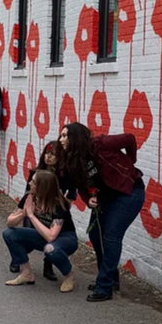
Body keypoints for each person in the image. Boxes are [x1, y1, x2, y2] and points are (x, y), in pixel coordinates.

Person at [58, 122, 145, 303]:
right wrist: (88, 200)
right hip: (106, 197)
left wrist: (130, 163)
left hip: (128, 192)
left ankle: (104, 286)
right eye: (61, 136)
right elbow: (81, 185)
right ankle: (110, 278)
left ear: (76, 137)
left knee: (111, 236)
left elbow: (130, 138)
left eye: (65, 136)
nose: (61, 140)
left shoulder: (100, 145)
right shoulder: (72, 160)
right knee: (96, 234)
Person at [2, 170, 79, 293]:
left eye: (33, 182)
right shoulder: (29, 197)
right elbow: (9, 222)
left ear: (42, 187)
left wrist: (31, 216)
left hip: (65, 238)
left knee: (50, 249)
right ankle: (26, 273)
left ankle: (69, 275)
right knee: (9, 234)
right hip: (43, 234)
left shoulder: (58, 204)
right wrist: (23, 214)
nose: (30, 184)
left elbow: (51, 236)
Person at [10, 141, 69, 279]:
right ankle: (18, 259)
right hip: (35, 209)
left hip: (54, 211)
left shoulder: (64, 175)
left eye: (53, 154)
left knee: (52, 239)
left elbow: (70, 193)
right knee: (28, 236)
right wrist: (27, 209)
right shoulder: (35, 172)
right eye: (47, 153)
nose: (49, 157)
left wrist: (65, 203)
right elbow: (28, 192)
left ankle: (48, 266)